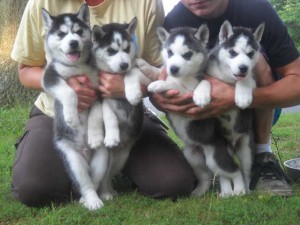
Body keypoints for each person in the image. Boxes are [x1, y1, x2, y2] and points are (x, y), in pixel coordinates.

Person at [10, 0, 195, 207]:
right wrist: (66, 85)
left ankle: (113, 169)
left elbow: (159, 69)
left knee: (175, 183)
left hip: (123, 113)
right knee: (35, 189)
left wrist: (127, 87)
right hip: (57, 115)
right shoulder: (43, 3)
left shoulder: (147, 3)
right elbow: (25, 70)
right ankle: (78, 173)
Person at [150, 0, 300, 196]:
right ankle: (215, 162)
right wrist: (160, 99)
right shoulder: (176, 20)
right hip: (206, 119)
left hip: (253, 107)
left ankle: (262, 156)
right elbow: (163, 77)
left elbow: (297, 80)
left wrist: (242, 97)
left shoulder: (256, 9)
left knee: (258, 60)